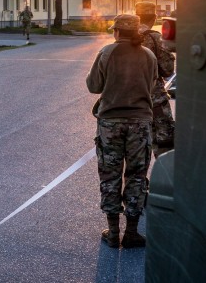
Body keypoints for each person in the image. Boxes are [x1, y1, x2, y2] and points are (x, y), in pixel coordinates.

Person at [86, 14, 158, 249]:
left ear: (117, 31)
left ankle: (113, 232)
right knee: (137, 176)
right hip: (140, 123)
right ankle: (133, 233)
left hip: (111, 123)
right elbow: (152, 85)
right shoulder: (148, 55)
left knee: (110, 175)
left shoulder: (106, 53)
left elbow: (93, 86)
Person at [136, 1, 176, 158]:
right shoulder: (155, 38)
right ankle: (165, 179)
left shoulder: (122, 37)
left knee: (136, 149)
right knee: (164, 144)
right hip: (154, 100)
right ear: (154, 17)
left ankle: (138, 182)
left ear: (137, 17)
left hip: (129, 100)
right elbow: (167, 70)